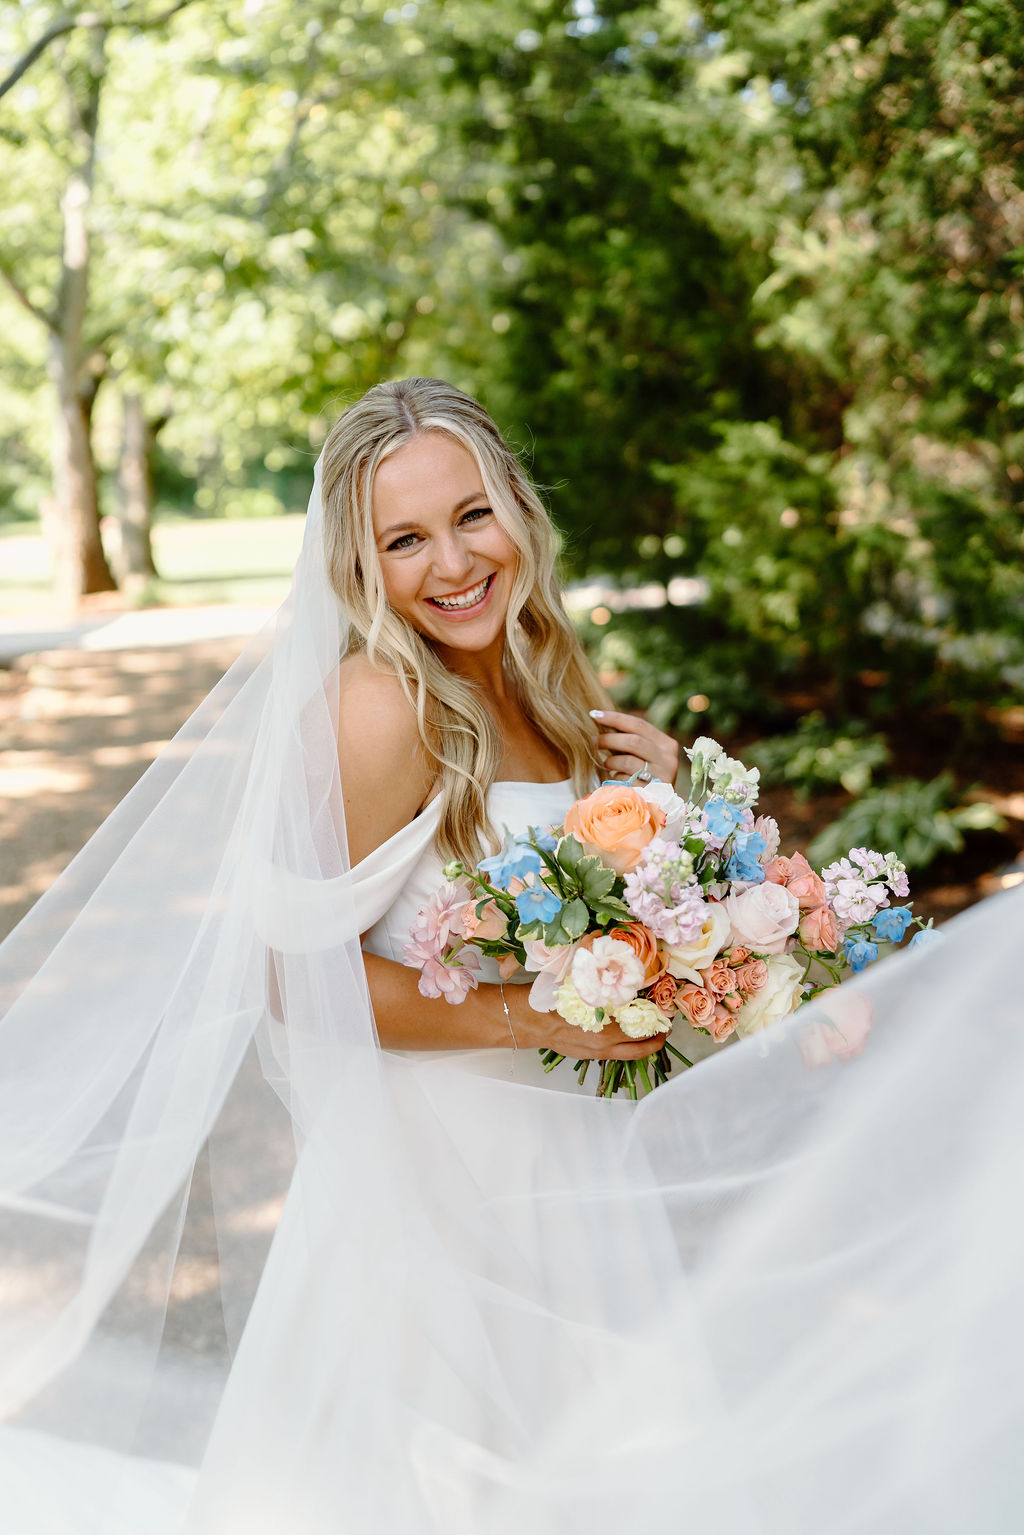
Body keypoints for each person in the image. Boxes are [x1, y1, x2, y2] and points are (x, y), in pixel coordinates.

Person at [0, 378, 1022, 1535]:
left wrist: (676, 818)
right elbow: (290, 977)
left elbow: (608, 930)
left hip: (568, 1162)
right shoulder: (377, 708)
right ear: (360, 567)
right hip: (435, 1189)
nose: (451, 562)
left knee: (598, 1467)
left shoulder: (545, 677)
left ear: (516, 509)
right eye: (404, 539)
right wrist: (531, 1021)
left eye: (471, 513)